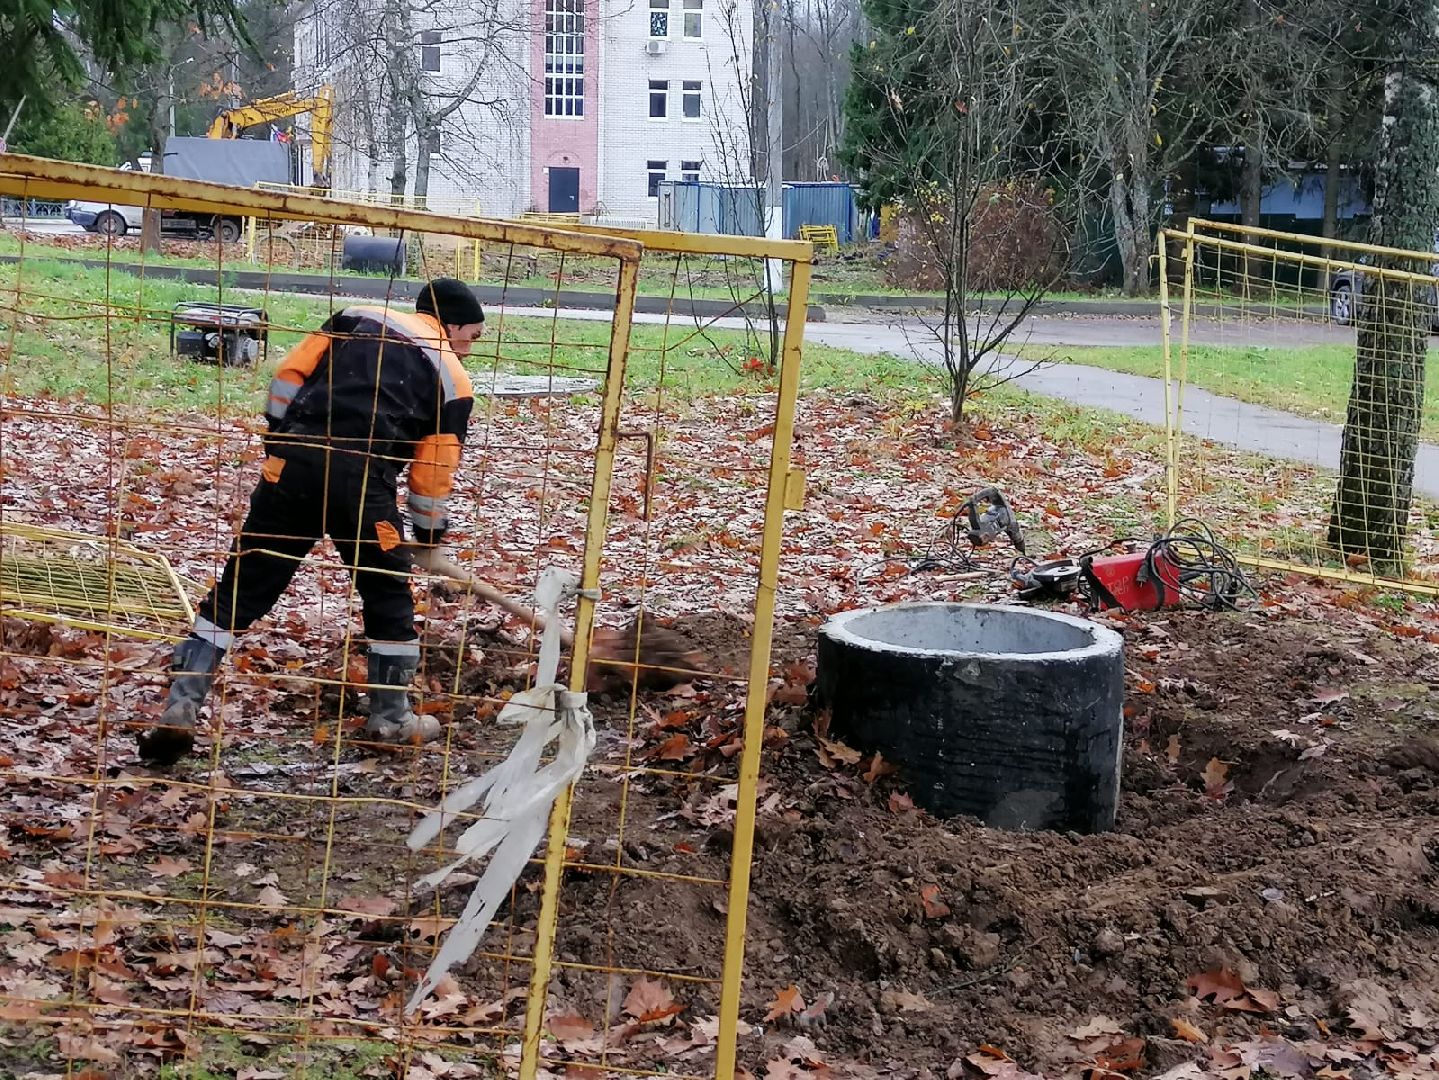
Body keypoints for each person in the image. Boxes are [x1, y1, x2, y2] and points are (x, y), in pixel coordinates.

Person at [138, 278, 486, 766]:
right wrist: (428, 535)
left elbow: (287, 377)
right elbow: (433, 472)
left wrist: (284, 442)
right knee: (387, 593)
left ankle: (183, 701)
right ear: (449, 324)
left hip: (291, 469)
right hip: (364, 487)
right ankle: (390, 717)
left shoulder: (355, 318)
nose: (470, 347)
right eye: (471, 335)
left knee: (244, 583)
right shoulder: (452, 376)